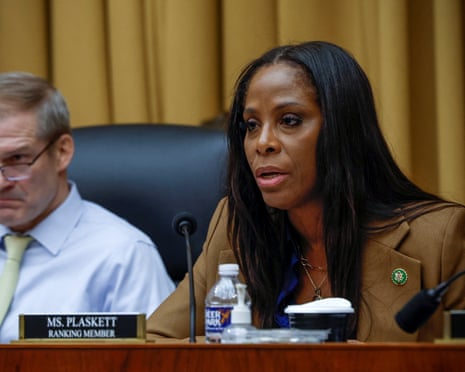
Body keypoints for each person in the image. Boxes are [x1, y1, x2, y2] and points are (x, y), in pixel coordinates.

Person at [146, 41, 465, 342]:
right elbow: (153, 342)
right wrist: (255, 352)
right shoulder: (236, 227)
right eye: (251, 126)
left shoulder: (440, 239)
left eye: (289, 120)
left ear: (342, 130)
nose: (262, 143)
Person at [0, 72, 175, 343]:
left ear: (62, 152)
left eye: (17, 159)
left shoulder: (124, 255)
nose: (1, 183)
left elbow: (154, 364)